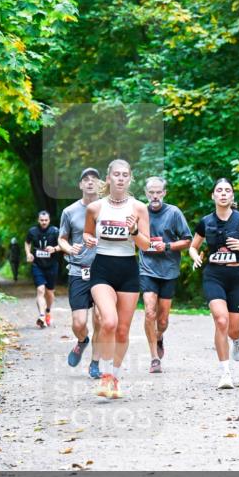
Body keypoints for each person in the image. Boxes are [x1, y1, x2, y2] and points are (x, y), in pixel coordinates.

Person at [83, 159, 151, 399]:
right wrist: (88, 239)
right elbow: (88, 232)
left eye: (125, 175)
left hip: (128, 270)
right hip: (102, 268)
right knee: (108, 321)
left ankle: (115, 376)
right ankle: (104, 375)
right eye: (117, 175)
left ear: (130, 179)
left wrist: (133, 231)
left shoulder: (138, 208)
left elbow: (146, 244)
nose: (121, 178)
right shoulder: (95, 208)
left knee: (122, 330)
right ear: (108, 178)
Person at [188, 178, 239, 390]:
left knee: (233, 329)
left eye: (227, 190)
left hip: (236, 276)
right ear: (213, 196)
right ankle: (225, 373)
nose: (223, 194)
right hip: (214, 276)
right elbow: (193, 246)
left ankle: (237, 339)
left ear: (232, 196)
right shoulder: (205, 222)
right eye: (219, 190)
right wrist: (194, 256)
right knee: (221, 321)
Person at [138, 176, 192, 373]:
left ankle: (159, 336)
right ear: (146, 193)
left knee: (162, 320)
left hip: (169, 270)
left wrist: (167, 245)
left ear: (164, 193)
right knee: (149, 312)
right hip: (147, 268)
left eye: (158, 192)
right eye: (151, 192)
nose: (154, 196)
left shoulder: (174, 213)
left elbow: (187, 240)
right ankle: (154, 358)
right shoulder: (140, 212)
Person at [58, 167, 103, 378]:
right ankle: (82, 340)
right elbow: (62, 239)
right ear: (80, 185)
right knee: (79, 323)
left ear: (100, 184)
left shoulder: (109, 208)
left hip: (103, 270)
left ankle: (95, 363)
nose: (90, 182)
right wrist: (68, 248)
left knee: (101, 320)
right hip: (78, 270)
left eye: (94, 179)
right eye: (86, 179)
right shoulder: (69, 211)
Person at [25, 211, 60, 328]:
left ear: (49, 220)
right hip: (37, 265)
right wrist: (28, 253)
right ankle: (41, 315)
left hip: (52, 265)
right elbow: (27, 242)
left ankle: (48, 311)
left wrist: (54, 248)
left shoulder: (55, 231)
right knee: (40, 290)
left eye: (46, 220)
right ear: (38, 220)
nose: (44, 222)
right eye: (42, 220)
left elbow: (63, 244)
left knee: (50, 293)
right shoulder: (32, 231)